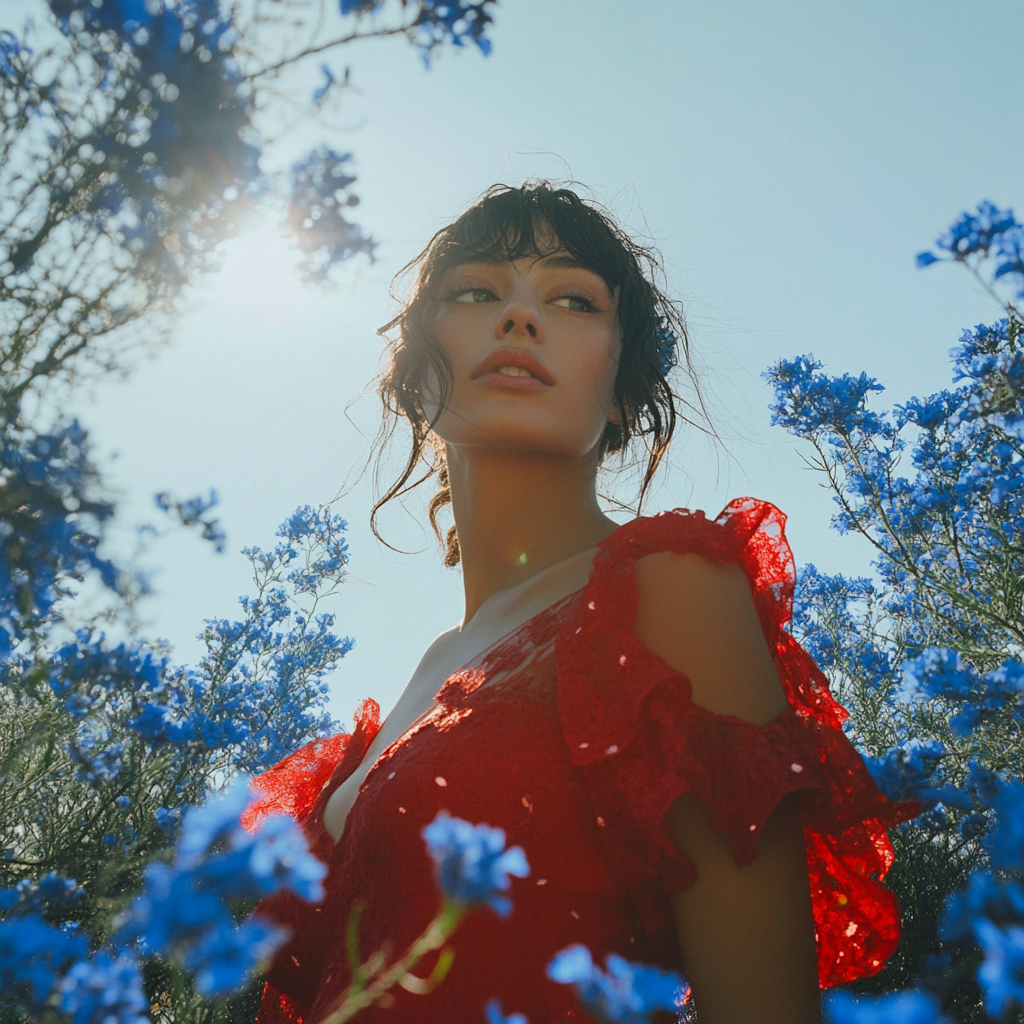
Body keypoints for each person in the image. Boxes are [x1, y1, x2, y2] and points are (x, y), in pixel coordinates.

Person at [245, 184, 916, 1024]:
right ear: (416, 376)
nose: (519, 318)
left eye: (571, 299)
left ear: (627, 389)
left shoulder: (666, 593)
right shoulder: (419, 679)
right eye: (478, 291)